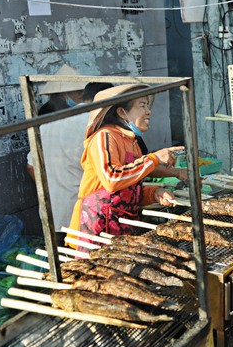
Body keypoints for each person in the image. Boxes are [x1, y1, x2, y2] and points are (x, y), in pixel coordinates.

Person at [68, 84, 181, 237]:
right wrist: (153, 158)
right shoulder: (105, 136)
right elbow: (112, 180)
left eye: (148, 105)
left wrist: (155, 193)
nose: (149, 112)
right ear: (122, 112)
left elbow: (128, 191)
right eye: (142, 105)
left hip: (122, 227)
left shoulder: (132, 142)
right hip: (94, 228)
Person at [27, 82, 113, 240]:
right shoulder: (97, 125)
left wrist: (51, 189)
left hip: (52, 212)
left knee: (61, 261)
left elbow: (31, 166)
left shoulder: (48, 124)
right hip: (87, 214)